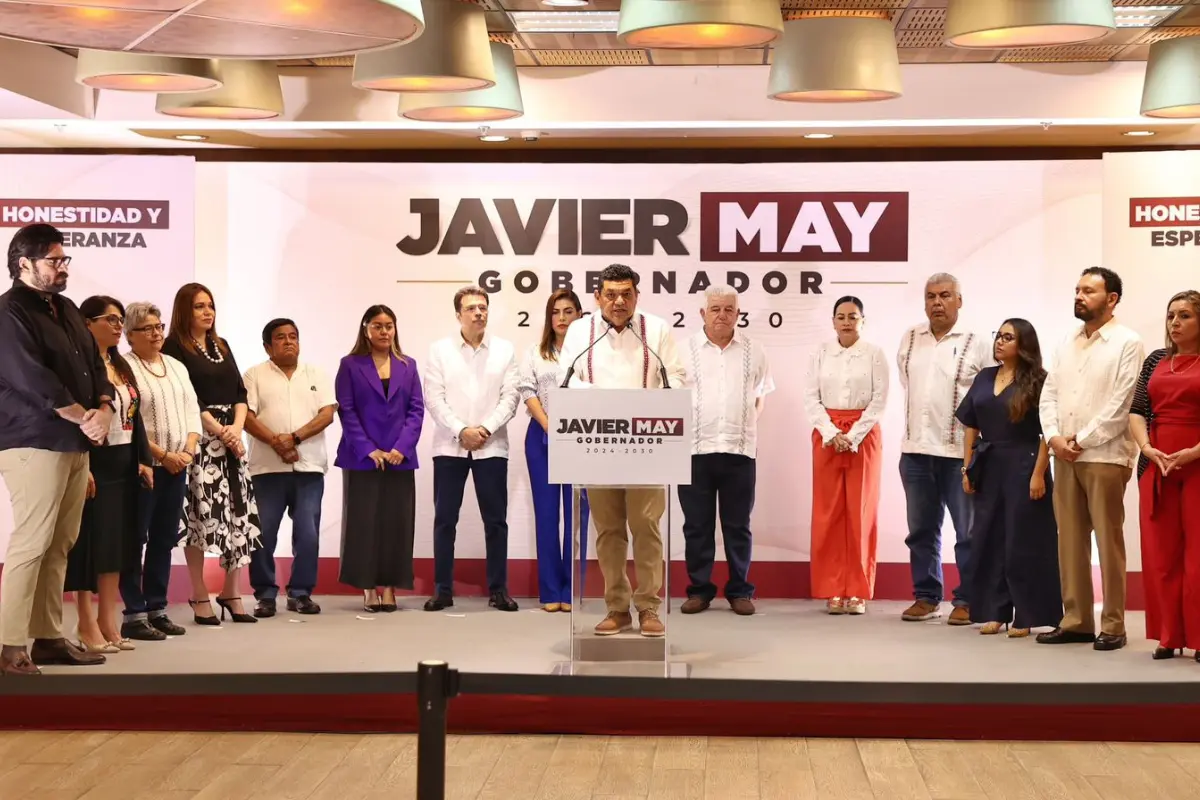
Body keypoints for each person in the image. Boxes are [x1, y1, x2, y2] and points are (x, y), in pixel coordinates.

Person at [0, 223, 111, 675]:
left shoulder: (64, 308)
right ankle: (10, 646)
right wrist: (84, 416)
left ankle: (46, 637)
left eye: (65, 260)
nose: (63, 267)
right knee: (31, 543)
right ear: (24, 263)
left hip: (73, 440)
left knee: (59, 545)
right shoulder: (8, 313)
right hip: (32, 439)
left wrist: (103, 406)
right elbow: (31, 378)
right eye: (54, 261)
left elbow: (94, 364)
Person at [559, 264, 687, 637]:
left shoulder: (657, 329)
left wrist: (650, 403)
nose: (618, 302)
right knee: (608, 529)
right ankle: (616, 607)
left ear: (637, 296)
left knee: (646, 526)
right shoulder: (581, 330)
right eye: (610, 294)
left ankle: (648, 606)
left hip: (646, 445)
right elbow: (566, 379)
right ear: (597, 297)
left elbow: (675, 377)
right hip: (597, 444)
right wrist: (604, 402)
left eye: (626, 294)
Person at [1038, 267, 1144, 651]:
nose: (1079, 296)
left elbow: (1123, 403)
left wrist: (1079, 441)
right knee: (1069, 541)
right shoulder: (1066, 340)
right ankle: (1077, 620)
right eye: (1077, 289)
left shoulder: (1127, 342)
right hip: (1064, 455)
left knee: (1108, 541)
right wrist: (1053, 438)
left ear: (1111, 298)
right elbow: (1048, 393)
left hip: (1104, 454)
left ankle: (1113, 625)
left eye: (1089, 291)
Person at [162, 282, 262, 626]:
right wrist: (220, 431)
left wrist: (236, 429)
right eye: (199, 306)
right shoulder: (174, 346)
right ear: (184, 311)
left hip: (231, 441)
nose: (208, 312)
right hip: (201, 439)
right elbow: (190, 398)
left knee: (237, 515)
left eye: (211, 306)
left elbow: (239, 392)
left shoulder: (221, 345)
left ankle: (232, 592)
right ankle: (199, 592)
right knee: (201, 518)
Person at [956, 319, 1061, 637]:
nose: (999, 342)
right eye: (998, 336)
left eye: (1008, 337)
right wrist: (967, 467)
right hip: (989, 464)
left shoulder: (1039, 380)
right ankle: (994, 611)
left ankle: (1026, 614)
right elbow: (970, 424)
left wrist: (1039, 473)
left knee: (1023, 540)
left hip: (1025, 463)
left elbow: (1047, 430)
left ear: (1024, 344)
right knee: (989, 538)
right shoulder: (984, 377)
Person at [896, 273, 991, 624]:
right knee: (920, 530)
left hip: (959, 454)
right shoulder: (910, 338)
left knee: (967, 532)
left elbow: (986, 395)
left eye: (945, 295)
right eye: (931, 296)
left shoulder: (976, 343)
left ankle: (967, 599)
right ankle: (926, 595)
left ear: (959, 301)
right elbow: (909, 383)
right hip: (915, 451)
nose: (937, 302)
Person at [65, 296, 154, 654]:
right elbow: (76, 422)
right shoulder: (78, 366)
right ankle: (85, 623)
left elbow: (138, 415)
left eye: (121, 320)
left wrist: (144, 458)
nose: (119, 326)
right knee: (90, 545)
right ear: (87, 324)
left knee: (118, 544)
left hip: (124, 460)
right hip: (94, 463)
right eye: (111, 319)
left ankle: (108, 620)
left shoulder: (121, 365)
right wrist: (82, 465)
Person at [424, 286, 520, 613]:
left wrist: (484, 429)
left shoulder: (505, 350)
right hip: (449, 448)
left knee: (496, 522)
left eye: (483, 307)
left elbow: (511, 397)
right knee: (444, 521)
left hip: (492, 447)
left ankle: (498, 590)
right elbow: (434, 398)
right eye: (471, 308)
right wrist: (460, 430)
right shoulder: (439, 351)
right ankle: (442, 590)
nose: (479, 313)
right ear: (458, 315)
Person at [679, 285, 773, 617]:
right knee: (697, 525)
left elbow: (761, 394)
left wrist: (746, 421)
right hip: (694, 450)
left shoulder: (755, 350)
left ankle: (739, 591)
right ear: (703, 313)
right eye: (715, 308)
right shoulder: (682, 350)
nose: (722, 314)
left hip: (739, 450)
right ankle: (699, 591)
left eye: (729, 309)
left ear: (737, 313)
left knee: (738, 525)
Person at [244, 318, 336, 618]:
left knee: (308, 533)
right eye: (281, 337)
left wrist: (294, 438)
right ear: (268, 346)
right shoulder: (254, 375)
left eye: (293, 336)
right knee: (264, 534)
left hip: (308, 467)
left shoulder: (316, 374)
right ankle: (265, 594)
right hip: (267, 468)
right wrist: (277, 443)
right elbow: (247, 417)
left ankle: (301, 593)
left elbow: (326, 415)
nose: (288, 342)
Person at [335, 305, 424, 612]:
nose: (385, 331)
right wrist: (368, 448)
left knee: (397, 525)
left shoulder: (408, 365)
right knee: (364, 524)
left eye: (389, 326)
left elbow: (416, 410)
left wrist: (402, 447)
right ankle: (368, 588)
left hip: (400, 458)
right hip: (362, 458)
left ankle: (390, 588)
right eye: (378, 326)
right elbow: (346, 410)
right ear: (366, 329)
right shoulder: (350, 364)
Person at [121, 301, 200, 642]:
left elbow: (193, 412)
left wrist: (187, 450)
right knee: (134, 538)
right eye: (148, 328)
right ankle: (134, 614)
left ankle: (158, 608)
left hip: (177, 465)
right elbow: (130, 423)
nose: (156, 333)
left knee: (164, 538)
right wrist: (163, 455)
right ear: (130, 334)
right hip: (144, 467)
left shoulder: (177, 366)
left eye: (159, 326)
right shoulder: (125, 368)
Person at [803, 295, 887, 615]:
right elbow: (811, 398)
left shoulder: (875, 354)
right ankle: (833, 588)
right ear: (833, 321)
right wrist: (831, 433)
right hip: (827, 435)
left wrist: (852, 436)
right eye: (841, 316)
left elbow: (879, 400)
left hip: (863, 435)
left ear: (863, 320)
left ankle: (858, 590)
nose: (847, 321)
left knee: (861, 512)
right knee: (829, 513)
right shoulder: (820, 353)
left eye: (853, 316)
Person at [1129, 290, 1200, 661]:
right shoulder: (1156, 360)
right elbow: (1137, 410)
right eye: (1171, 315)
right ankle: (1169, 636)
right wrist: (1146, 448)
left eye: (1185, 315)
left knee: (1198, 557)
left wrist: (1193, 452)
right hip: (1157, 467)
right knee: (1162, 556)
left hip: (1197, 464)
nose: (1175, 322)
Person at [519, 288, 589, 612]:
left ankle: (571, 590)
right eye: (556, 312)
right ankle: (550, 591)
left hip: (583, 439)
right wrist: (549, 424)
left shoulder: (590, 352)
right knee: (547, 516)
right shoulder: (536, 351)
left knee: (576, 517)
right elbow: (528, 390)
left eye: (568, 311)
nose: (561, 318)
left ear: (579, 314)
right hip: (542, 435)